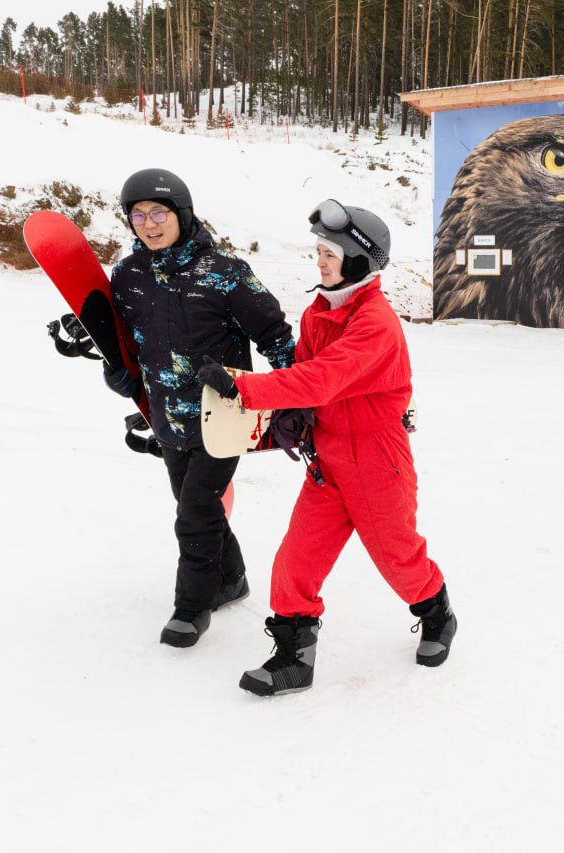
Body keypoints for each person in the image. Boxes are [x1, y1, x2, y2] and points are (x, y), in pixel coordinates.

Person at [197, 199, 457, 697]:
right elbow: (303, 380)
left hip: (378, 463)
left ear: (360, 259)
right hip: (329, 463)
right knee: (296, 561)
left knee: (399, 558)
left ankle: (437, 612)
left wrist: (245, 389)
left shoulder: (376, 322)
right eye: (318, 250)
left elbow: (322, 379)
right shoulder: (320, 312)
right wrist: (280, 420)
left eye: (330, 252)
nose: (320, 260)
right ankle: (295, 656)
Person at [107, 168, 295, 648]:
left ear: (182, 214)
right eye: (138, 215)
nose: (149, 224)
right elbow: (129, 343)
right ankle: (231, 579)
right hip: (167, 416)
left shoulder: (224, 271)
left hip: (224, 415)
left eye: (159, 213)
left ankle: (191, 608)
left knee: (193, 512)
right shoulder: (128, 276)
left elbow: (275, 335)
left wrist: (295, 396)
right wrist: (122, 377)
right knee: (197, 506)